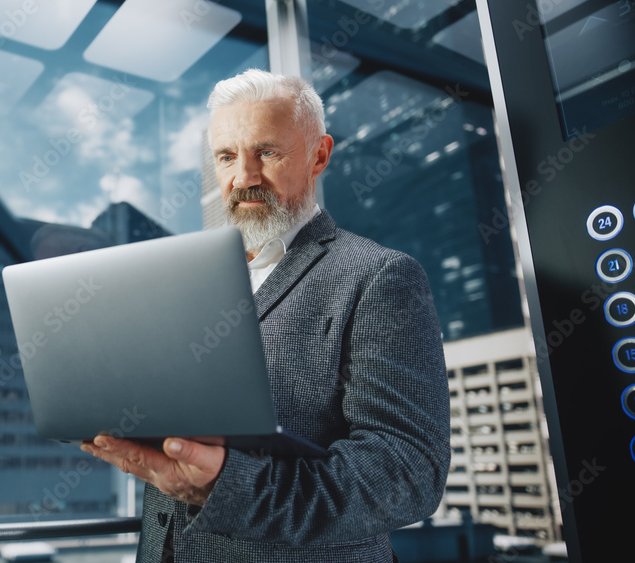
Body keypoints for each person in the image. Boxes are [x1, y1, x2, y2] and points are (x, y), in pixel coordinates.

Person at [80, 69, 450, 562]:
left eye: (267, 153)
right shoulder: (188, 284)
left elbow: (408, 471)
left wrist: (227, 489)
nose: (244, 177)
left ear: (319, 155)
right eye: (227, 157)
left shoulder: (380, 276)